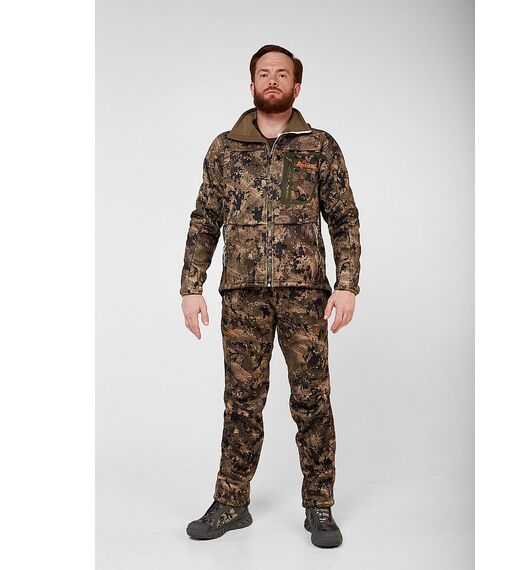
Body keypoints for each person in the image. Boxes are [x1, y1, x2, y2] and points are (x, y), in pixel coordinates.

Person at [180, 44, 361, 548]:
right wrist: (191, 287)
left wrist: (347, 284)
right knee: (241, 401)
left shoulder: (319, 146)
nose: (273, 80)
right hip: (243, 295)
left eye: (282, 74)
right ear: (252, 84)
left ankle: (319, 505)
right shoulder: (224, 149)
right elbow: (204, 219)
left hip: (305, 295)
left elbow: (344, 219)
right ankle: (231, 502)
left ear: (296, 87)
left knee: (311, 400)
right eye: (264, 73)